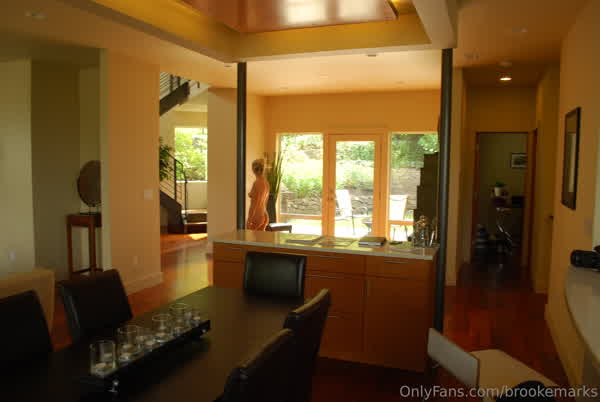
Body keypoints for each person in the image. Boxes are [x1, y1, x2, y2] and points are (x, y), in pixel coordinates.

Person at [247, 159, 270, 231]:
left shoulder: (256, 183)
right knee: (261, 237)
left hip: (256, 217)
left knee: (250, 237)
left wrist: (249, 220)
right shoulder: (266, 183)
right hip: (265, 215)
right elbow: (265, 201)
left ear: (253, 170)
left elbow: (254, 204)